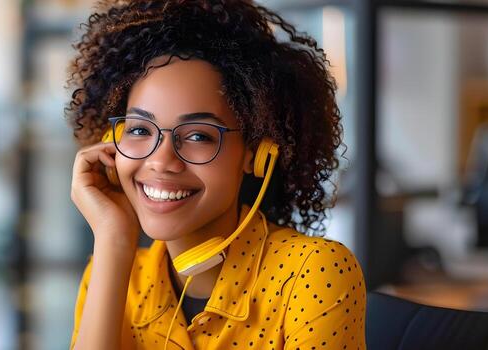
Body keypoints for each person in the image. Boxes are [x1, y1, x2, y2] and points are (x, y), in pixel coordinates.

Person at [65, 1, 365, 349]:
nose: (161, 161)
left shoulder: (313, 273)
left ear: (256, 154)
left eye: (197, 136)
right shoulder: (111, 271)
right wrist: (113, 239)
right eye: (139, 130)